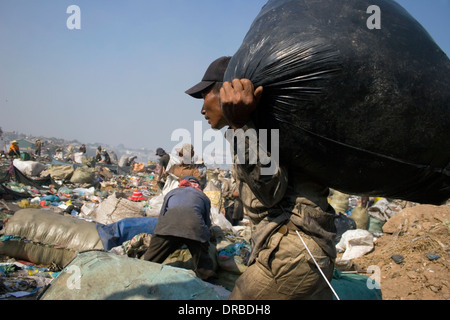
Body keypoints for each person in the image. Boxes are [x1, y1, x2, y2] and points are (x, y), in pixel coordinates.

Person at [185, 56, 337, 299]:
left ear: (226, 90)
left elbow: (270, 191)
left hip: (292, 255)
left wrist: (239, 125)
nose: (202, 108)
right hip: (306, 254)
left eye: (205, 95)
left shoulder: (258, 127)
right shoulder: (256, 127)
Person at [142, 176, 217, 282]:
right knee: (203, 261)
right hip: (194, 229)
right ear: (197, 185)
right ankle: (209, 281)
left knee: (151, 259)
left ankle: (141, 274)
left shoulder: (172, 192)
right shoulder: (203, 196)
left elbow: (162, 215)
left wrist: (159, 235)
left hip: (167, 227)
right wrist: (205, 241)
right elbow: (206, 222)